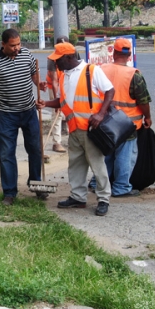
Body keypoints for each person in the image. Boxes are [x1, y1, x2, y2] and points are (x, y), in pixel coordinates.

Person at [37, 42, 115, 216]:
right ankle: (78, 197)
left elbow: (110, 91)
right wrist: (46, 104)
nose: (56, 63)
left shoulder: (91, 70)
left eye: (59, 60)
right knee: (75, 165)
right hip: (74, 129)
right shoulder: (64, 75)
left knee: (97, 165)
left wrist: (101, 114)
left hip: (91, 128)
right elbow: (62, 101)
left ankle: (103, 199)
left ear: (69, 57)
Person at [0, 28, 42, 205]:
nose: (17, 48)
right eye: (13, 45)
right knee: (6, 153)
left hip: (29, 112)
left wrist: (39, 83)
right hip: (6, 115)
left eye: (19, 44)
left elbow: (34, 76)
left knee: (35, 149)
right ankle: (10, 192)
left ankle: (36, 184)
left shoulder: (27, 55)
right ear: (3, 44)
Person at [89, 38, 152, 198]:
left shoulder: (100, 69)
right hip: (127, 124)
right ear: (129, 55)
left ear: (114, 52)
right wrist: (148, 117)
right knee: (125, 156)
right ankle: (121, 187)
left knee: (105, 153)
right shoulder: (134, 75)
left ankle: (97, 183)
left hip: (104, 121)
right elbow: (143, 101)